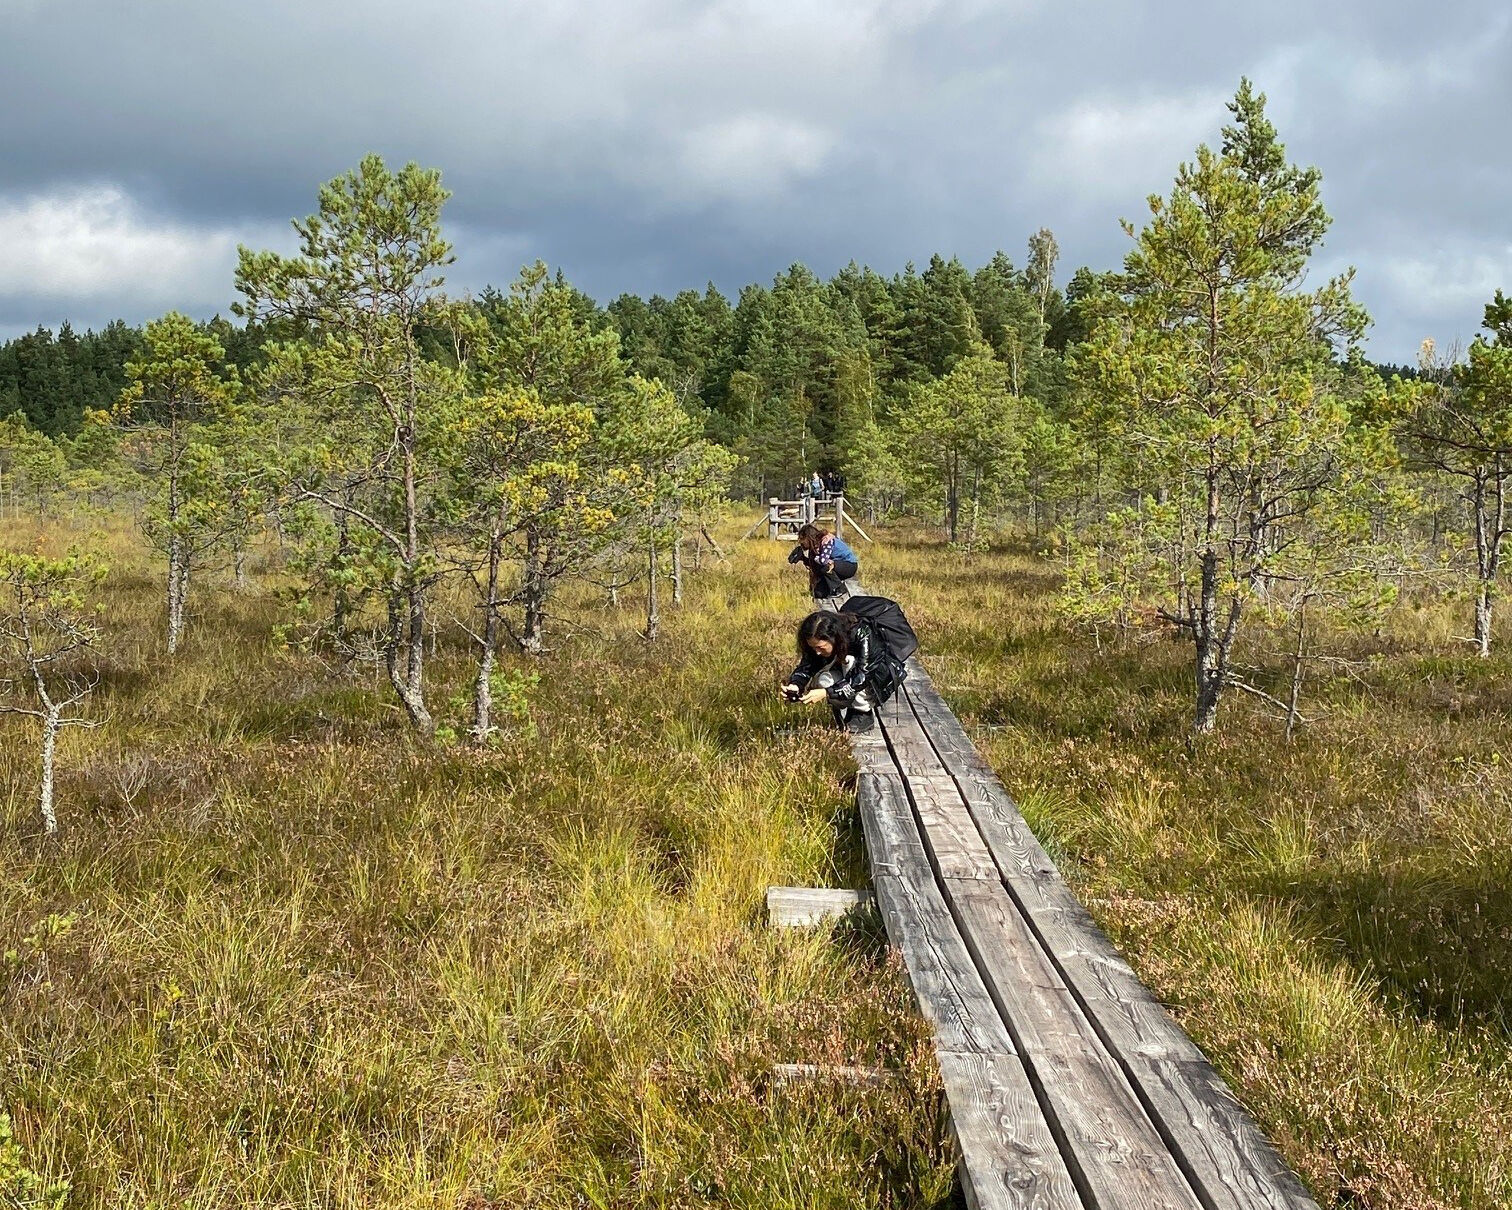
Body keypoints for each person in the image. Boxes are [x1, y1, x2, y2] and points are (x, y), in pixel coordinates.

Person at [781, 609, 901, 733]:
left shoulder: (863, 633)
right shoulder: (818, 643)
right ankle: (850, 708)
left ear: (833, 638)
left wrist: (827, 693)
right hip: (850, 674)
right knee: (824, 680)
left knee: (849, 660)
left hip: (878, 675)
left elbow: (863, 675)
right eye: (813, 647)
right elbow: (806, 666)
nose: (816, 652)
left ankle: (862, 712)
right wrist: (796, 684)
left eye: (820, 647)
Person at [787, 522, 858, 599]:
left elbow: (823, 561)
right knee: (818, 593)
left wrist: (815, 559)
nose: (801, 542)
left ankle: (840, 588)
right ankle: (833, 588)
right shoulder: (815, 546)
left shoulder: (827, 541)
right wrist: (803, 558)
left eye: (802, 539)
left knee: (825, 566)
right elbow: (815, 566)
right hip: (835, 567)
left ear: (809, 538)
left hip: (849, 565)